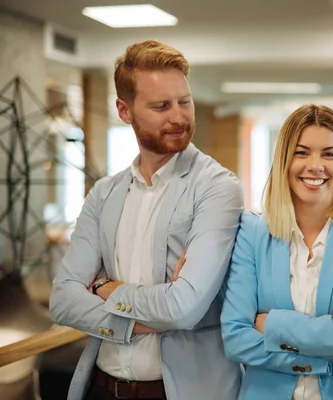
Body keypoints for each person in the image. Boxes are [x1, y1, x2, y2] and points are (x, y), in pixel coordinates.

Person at [49, 40, 243, 400]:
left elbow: (182, 308)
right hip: (101, 388)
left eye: (185, 101)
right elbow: (62, 300)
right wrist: (140, 321)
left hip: (183, 392)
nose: (179, 116)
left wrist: (103, 289)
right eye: (161, 106)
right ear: (124, 110)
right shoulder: (103, 193)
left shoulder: (217, 188)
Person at [220, 104, 333, 400]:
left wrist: (272, 324)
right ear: (283, 160)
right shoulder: (252, 233)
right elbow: (236, 339)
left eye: (329, 154)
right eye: (302, 152)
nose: (315, 165)